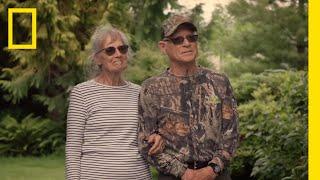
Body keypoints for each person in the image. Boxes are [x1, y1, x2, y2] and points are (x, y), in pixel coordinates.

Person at [138, 14, 239, 180]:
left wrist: (211, 170)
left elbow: (231, 133)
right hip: (173, 176)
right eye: (178, 39)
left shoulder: (219, 81)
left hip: (216, 175)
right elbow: (145, 141)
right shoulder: (152, 88)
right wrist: (183, 172)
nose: (186, 43)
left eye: (191, 38)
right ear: (163, 46)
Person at [65, 25, 163, 180]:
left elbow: (150, 133)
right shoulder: (82, 93)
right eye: (110, 50)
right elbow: (73, 148)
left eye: (122, 49)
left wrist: (156, 136)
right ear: (97, 58)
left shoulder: (139, 92)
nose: (118, 54)